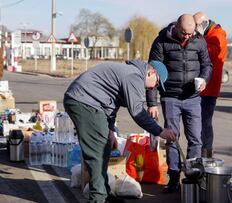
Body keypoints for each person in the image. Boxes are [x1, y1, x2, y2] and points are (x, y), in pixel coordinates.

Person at [64, 60, 176, 203]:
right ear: (151, 72)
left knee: (104, 148)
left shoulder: (131, 74)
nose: (155, 88)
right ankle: (97, 198)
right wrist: (160, 131)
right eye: (157, 83)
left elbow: (111, 105)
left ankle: (103, 192)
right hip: (83, 101)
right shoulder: (134, 77)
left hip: (88, 101)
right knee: (97, 151)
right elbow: (137, 113)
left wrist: (110, 131)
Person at [147, 14, 212, 193]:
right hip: (170, 97)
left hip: (193, 98)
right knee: (172, 138)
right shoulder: (161, 41)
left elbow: (207, 65)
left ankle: (193, 178)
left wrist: (204, 79)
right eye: (184, 33)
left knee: (196, 140)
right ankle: (174, 178)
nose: (188, 37)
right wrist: (152, 103)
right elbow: (151, 72)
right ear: (176, 27)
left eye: (190, 34)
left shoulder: (199, 40)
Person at [193, 12, 227, 158]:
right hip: (203, 87)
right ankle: (201, 155)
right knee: (199, 123)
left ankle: (206, 156)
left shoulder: (217, 35)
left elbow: (209, 54)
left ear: (205, 23)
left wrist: (199, 39)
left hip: (209, 88)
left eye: (197, 26)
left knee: (205, 124)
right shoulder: (210, 34)